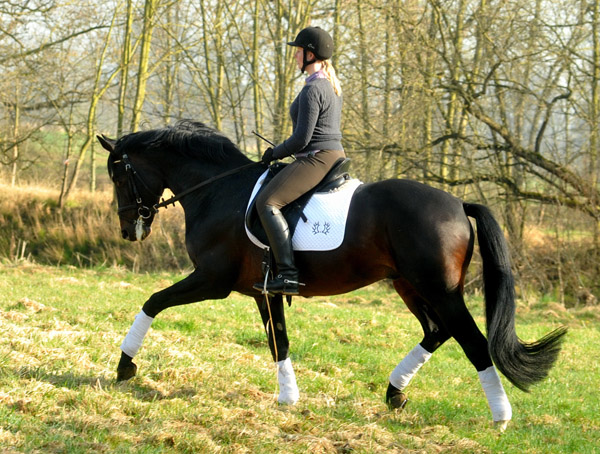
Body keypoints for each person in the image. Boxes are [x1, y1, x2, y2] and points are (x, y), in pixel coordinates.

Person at [253, 26, 345, 296]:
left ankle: (289, 276)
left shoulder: (313, 89)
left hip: (317, 158)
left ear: (309, 54)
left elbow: (302, 139)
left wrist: (275, 152)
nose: (294, 56)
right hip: (330, 155)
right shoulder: (327, 85)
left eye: (298, 51)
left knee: (267, 203)